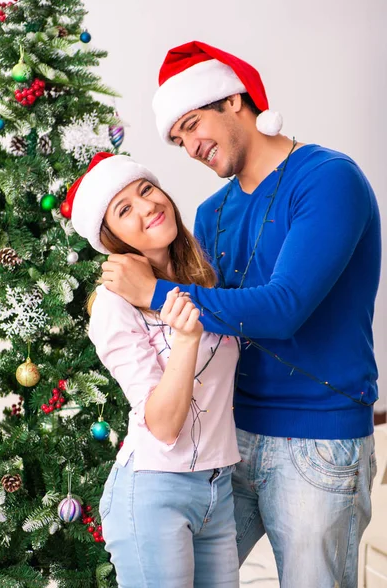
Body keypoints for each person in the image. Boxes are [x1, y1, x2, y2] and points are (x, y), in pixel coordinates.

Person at [100, 42, 381, 588]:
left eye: (192, 124)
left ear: (233, 101)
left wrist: (154, 292)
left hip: (317, 442)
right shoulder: (212, 213)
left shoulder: (327, 179)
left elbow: (282, 310)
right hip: (225, 443)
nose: (190, 146)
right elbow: (196, 333)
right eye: (178, 140)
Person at [66, 151, 241, 588]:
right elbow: (162, 426)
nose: (147, 207)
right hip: (154, 493)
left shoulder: (203, 277)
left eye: (146, 190)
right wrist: (184, 341)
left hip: (217, 489)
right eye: (125, 209)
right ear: (112, 238)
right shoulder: (113, 305)